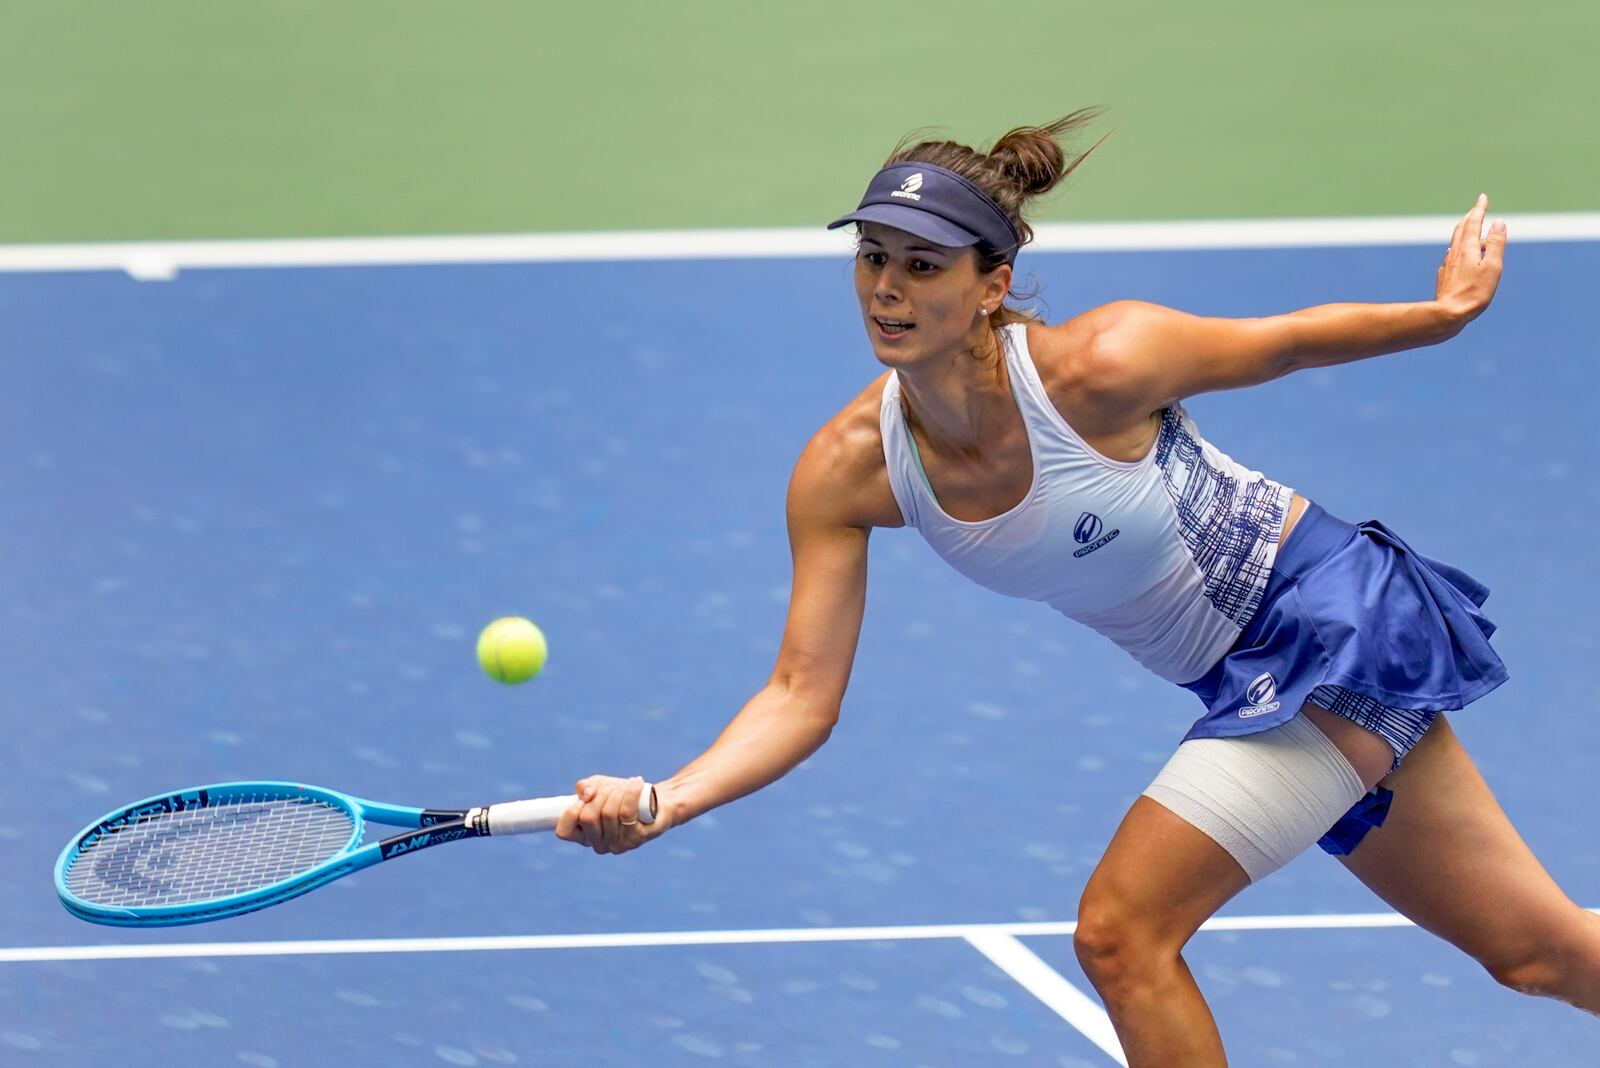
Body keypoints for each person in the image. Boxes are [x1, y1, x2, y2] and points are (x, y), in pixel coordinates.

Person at [554, 111, 1600, 1065]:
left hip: (1332, 625)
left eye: (922, 266)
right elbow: (798, 694)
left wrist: (1442, 313)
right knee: (1539, 956)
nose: (886, 288)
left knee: (1119, 933)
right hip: (1244, 684)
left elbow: (1283, 342)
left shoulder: (1099, 367)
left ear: (990, 283)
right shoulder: (848, 471)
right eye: (872, 258)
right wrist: (668, 797)